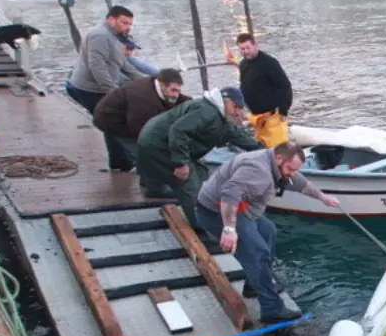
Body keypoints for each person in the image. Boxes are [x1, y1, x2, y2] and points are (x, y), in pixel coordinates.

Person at [195, 142, 340, 323]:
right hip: (216, 211)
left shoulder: (277, 163)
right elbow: (229, 193)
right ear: (279, 159)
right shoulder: (259, 172)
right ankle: (272, 309)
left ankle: (252, 286)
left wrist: (323, 197)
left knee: (268, 232)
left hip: (244, 209)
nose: (292, 173)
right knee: (257, 252)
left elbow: (299, 182)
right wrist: (229, 229)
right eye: (289, 168)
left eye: (295, 169)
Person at [137, 86, 263, 219]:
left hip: (153, 136)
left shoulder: (222, 119)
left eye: (240, 108)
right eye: (235, 107)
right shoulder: (206, 112)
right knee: (188, 181)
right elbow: (178, 131)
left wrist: (268, 153)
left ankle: (153, 187)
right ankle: (200, 223)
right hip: (158, 144)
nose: (239, 112)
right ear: (224, 101)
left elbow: (239, 137)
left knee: (202, 173)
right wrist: (181, 163)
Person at [65, 5, 146, 172]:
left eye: (130, 24)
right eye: (124, 22)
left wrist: (144, 80)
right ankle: (121, 163)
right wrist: (113, 92)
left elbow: (121, 62)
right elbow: (97, 67)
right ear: (111, 19)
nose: (128, 27)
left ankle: (122, 161)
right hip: (87, 88)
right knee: (111, 121)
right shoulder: (100, 36)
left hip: (100, 87)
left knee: (114, 121)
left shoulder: (115, 36)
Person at [93, 68, 190, 168]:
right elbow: (141, 132)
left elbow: (178, 99)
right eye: (173, 90)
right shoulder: (144, 102)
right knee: (147, 152)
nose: (176, 95)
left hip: (123, 111)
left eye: (178, 91)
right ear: (161, 85)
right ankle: (149, 177)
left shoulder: (157, 85)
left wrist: (194, 104)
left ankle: (120, 167)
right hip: (110, 119)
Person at [236, 33, 293, 148]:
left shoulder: (269, 63)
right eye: (242, 49)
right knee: (262, 151)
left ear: (255, 45)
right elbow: (243, 85)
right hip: (257, 119)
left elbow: (285, 86)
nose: (245, 51)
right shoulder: (243, 64)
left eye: (248, 48)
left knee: (279, 150)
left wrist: (284, 110)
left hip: (272, 117)